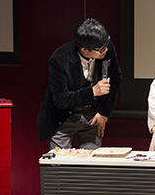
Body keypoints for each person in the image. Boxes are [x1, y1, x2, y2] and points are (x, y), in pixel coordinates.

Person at [37, 18, 122, 150]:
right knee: (60, 165)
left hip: (92, 116)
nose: (105, 50)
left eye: (106, 44)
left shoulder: (105, 46)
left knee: (91, 165)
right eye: (101, 49)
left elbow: (116, 78)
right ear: (84, 50)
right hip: (64, 117)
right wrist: (92, 91)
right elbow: (61, 99)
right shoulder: (59, 60)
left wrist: (104, 113)